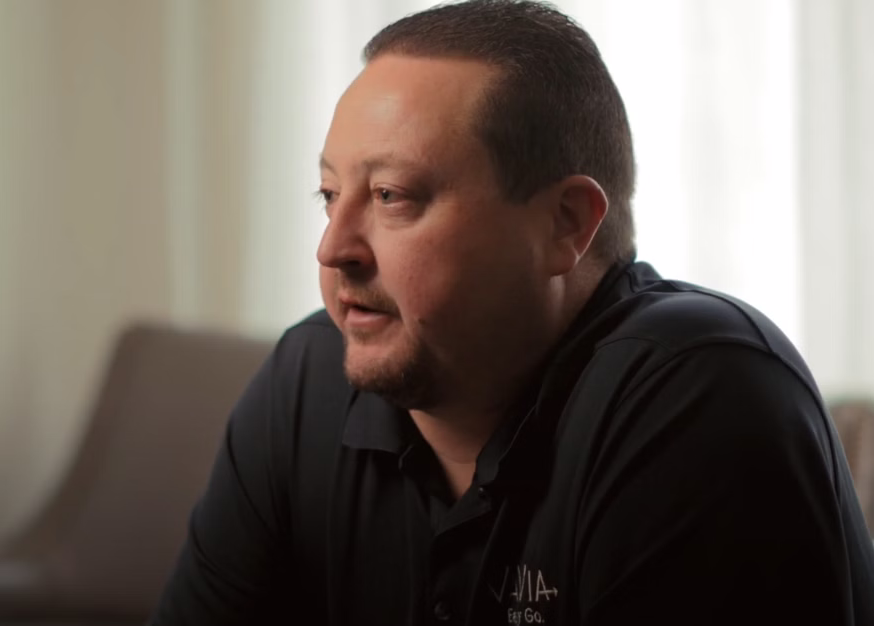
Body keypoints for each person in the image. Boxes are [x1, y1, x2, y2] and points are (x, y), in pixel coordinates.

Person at [151, 1, 874, 624]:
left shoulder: (704, 394)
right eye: (330, 196)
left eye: (393, 196)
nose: (334, 248)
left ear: (565, 223)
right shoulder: (306, 380)